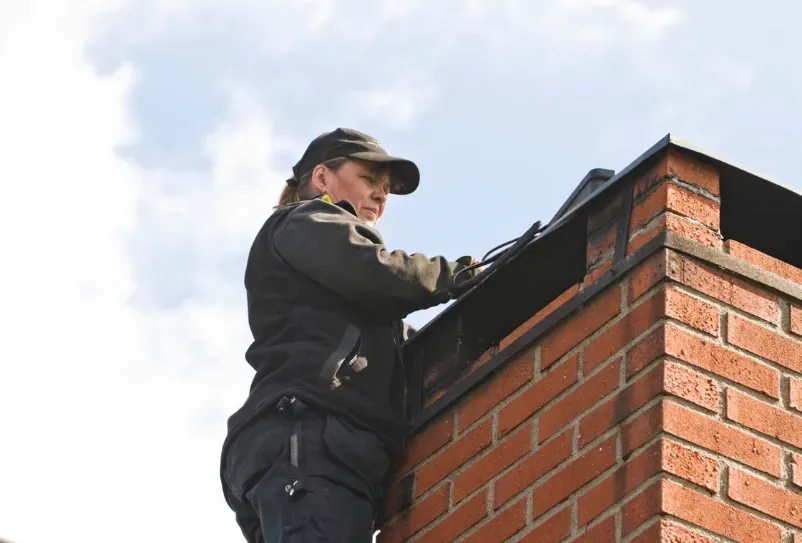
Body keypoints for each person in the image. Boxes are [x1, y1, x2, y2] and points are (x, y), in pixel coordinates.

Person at [219, 128, 478, 542]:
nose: (381, 195)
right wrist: (459, 275)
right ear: (322, 178)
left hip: (302, 448)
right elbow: (378, 272)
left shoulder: (351, 298)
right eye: (369, 179)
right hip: (308, 435)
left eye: (386, 188)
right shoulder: (306, 220)